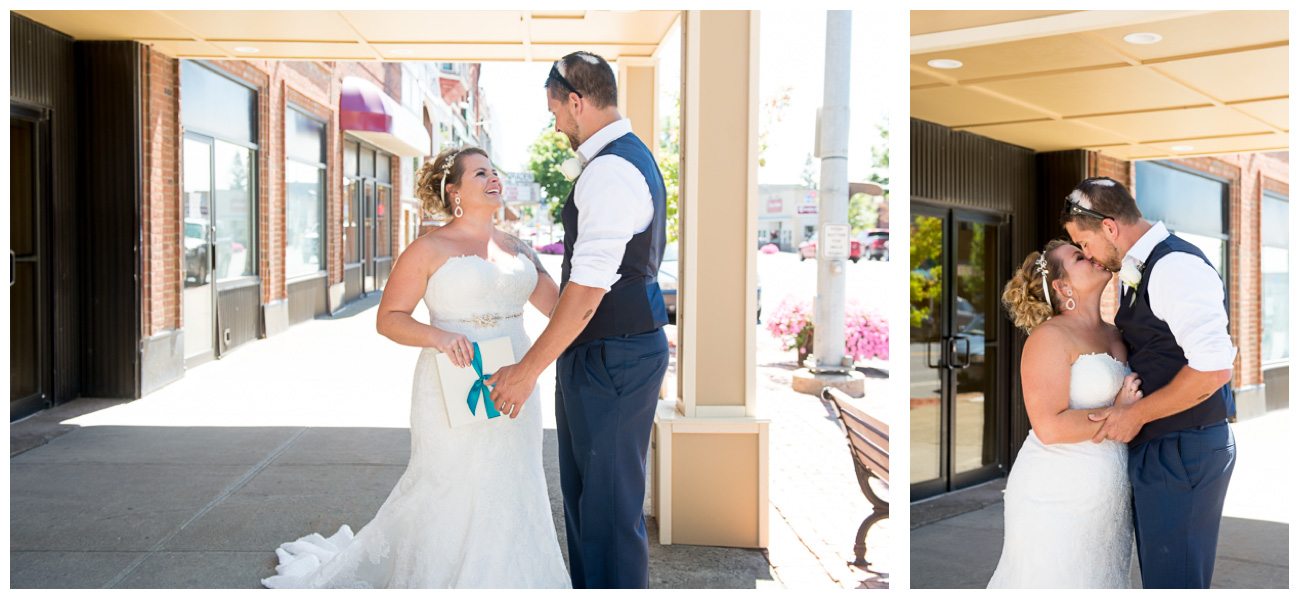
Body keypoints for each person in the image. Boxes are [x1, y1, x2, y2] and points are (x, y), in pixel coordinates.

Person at [261, 146, 570, 588]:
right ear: (455, 190)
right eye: (480, 173)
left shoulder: (519, 249)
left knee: (514, 480)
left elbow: (560, 309)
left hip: (517, 380)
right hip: (451, 380)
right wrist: (438, 336)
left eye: (494, 171)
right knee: (449, 483)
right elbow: (388, 318)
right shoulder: (428, 248)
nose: (493, 178)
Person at [486, 51, 670, 589]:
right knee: (590, 507)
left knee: (608, 517)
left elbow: (589, 292)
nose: (557, 123)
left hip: (613, 358)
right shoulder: (616, 161)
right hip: (603, 354)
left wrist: (527, 370)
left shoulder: (612, 170)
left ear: (577, 100)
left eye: (556, 112)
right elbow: (582, 282)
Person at [1062, 177, 1236, 589]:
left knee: (1175, 583)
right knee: (1163, 580)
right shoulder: (1139, 268)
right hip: (1165, 447)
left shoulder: (1175, 265)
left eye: (1084, 243)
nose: (1087, 255)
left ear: (1109, 227)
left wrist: (1135, 414)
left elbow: (1214, 368)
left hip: (1183, 447)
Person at [988, 239, 1143, 588]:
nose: (1092, 256)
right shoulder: (1050, 336)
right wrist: (1118, 412)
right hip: (1054, 494)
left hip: (1109, 496)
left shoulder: (1118, 335)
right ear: (1062, 286)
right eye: (1079, 257)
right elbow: (1049, 426)